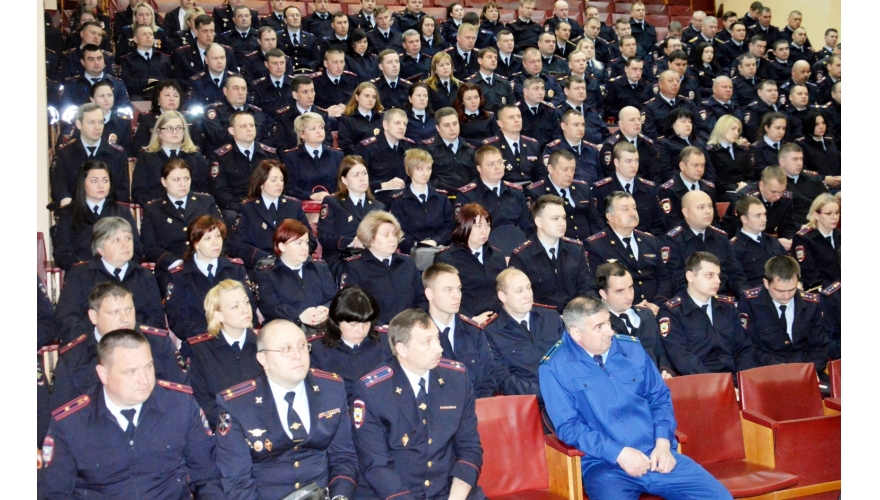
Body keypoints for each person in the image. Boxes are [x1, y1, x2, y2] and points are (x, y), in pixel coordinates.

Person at [540, 295, 732, 500]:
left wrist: (663, 443)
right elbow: (569, 427)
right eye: (599, 327)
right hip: (606, 465)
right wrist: (618, 453)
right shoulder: (554, 367)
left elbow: (659, 398)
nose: (610, 332)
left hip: (655, 453)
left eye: (608, 323)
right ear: (576, 333)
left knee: (720, 497)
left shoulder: (631, 348)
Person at [42, 329, 223, 498]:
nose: (144, 379)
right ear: (103, 374)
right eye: (131, 372)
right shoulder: (71, 424)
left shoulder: (181, 406)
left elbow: (208, 477)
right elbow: (55, 493)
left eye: (149, 366)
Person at [213, 319, 358, 498]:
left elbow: (343, 457)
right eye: (286, 349)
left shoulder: (331, 389)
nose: (298, 355)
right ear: (263, 359)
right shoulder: (237, 405)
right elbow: (237, 481)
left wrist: (340, 496)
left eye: (302, 346)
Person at [351, 308, 484, 498]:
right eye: (427, 342)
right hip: (394, 494)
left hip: (447, 491)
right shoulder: (372, 390)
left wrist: (457, 496)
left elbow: (469, 447)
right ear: (402, 349)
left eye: (437, 338)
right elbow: (377, 465)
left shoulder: (457, 378)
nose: (439, 348)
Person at [48, 281, 188, 416]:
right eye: (114, 312)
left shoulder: (158, 343)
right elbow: (61, 413)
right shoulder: (74, 355)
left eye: (129, 309)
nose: (125, 319)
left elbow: (181, 394)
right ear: (94, 316)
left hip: (155, 424)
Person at [54, 217, 163, 343]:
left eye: (128, 238)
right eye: (116, 240)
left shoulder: (145, 275)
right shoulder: (80, 274)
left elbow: (156, 319)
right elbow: (66, 318)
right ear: (100, 250)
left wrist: (132, 341)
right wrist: (94, 342)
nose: (125, 245)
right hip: (93, 347)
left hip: (136, 345)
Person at [658, 251, 757, 376]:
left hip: (733, 379)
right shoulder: (672, 312)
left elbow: (744, 348)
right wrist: (717, 385)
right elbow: (682, 357)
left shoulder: (728, 307)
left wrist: (742, 382)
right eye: (709, 275)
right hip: (699, 382)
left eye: (718, 275)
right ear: (690, 276)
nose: (717, 281)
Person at [181, 279, 263, 426]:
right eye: (235, 307)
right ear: (219, 315)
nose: (245, 310)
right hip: (224, 430)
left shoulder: (265, 342)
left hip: (267, 425)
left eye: (246, 302)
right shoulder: (200, 350)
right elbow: (203, 401)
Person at [165, 215, 254, 340]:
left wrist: (231, 334)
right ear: (195, 243)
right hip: (199, 341)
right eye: (208, 238)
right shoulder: (179, 275)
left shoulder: (235, 269)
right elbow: (178, 319)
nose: (216, 243)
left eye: (218, 236)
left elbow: (249, 306)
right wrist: (211, 335)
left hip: (236, 336)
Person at [483, 268, 565, 401]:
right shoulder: (490, 333)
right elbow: (503, 380)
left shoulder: (550, 317)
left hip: (568, 391)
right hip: (531, 402)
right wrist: (546, 393)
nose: (527, 295)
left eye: (529, 288)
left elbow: (569, 354)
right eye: (519, 291)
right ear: (503, 296)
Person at [141, 159, 222, 289]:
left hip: (207, 260)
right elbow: (150, 247)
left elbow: (222, 235)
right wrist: (174, 262)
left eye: (186, 178)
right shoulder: (153, 209)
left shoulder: (206, 201)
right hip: (173, 267)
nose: (183, 184)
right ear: (164, 182)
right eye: (176, 180)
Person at [739, 255, 827, 372]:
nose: (786, 296)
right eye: (780, 291)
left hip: (804, 368)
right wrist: (778, 368)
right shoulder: (750, 302)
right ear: (766, 283)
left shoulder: (811, 303)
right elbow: (748, 346)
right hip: (767, 368)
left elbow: (819, 346)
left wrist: (811, 370)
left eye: (792, 289)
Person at [51, 161, 143, 272]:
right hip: (82, 274)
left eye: (105, 180)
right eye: (94, 181)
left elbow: (136, 248)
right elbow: (62, 253)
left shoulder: (122, 212)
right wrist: (86, 269)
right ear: (83, 183)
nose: (101, 185)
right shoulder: (68, 214)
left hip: (118, 273)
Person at [424, 263, 499, 398]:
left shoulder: (474, 331)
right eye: (448, 290)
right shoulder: (418, 335)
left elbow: (488, 379)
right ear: (429, 293)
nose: (456, 296)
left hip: (476, 407)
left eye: (458, 289)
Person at [509, 195, 596, 312]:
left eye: (563, 218)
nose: (562, 223)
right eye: (555, 219)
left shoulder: (576, 249)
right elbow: (521, 299)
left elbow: (587, 287)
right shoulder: (521, 256)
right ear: (539, 222)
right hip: (542, 320)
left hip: (576, 314)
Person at [587, 191, 671, 310]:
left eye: (634, 208)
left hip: (655, 308)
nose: (632, 213)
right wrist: (630, 309)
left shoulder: (651, 241)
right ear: (610, 217)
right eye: (625, 209)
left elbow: (664, 278)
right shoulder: (596, 245)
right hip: (620, 312)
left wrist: (657, 303)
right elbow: (595, 287)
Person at [340, 211, 428, 325]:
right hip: (375, 332)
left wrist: (414, 321)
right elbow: (353, 307)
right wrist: (380, 327)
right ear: (371, 239)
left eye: (394, 234)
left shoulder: (408, 263)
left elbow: (422, 299)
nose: (392, 239)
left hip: (410, 328)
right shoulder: (354, 267)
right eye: (386, 235)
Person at [227, 160, 314, 270]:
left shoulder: (294, 205)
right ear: (261, 183)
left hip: (293, 263)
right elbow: (237, 245)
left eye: (281, 179)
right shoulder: (247, 208)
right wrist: (265, 258)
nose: (279, 184)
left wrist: (291, 255)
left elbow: (310, 240)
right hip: (262, 266)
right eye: (273, 180)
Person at [663, 191, 748, 297]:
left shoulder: (721, 237)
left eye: (710, 206)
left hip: (722, 299)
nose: (708, 211)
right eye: (701, 207)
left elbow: (735, 274)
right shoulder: (673, 241)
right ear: (686, 212)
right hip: (693, 301)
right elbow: (677, 281)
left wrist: (746, 297)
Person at [253, 219, 334, 328]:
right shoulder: (266, 273)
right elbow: (270, 308)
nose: (305, 248)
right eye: (298, 243)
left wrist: (326, 309)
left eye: (306, 242)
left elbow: (334, 298)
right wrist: (299, 315)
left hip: (323, 329)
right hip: (286, 330)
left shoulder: (320, 268)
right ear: (282, 246)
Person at [595, 262, 673, 375]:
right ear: (604, 294)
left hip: (654, 383)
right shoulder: (596, 324)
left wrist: (664, 370)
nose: (629, 296)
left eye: (631, 287)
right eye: (620, 291)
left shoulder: (647, 315)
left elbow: (661, 351)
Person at [433, 203, 506, 318]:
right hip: (464, 322)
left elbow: (505, 290)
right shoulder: (446, 258)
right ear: (465, 226)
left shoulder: (497, 255)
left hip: (498, 321)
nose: (484, 231)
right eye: (478, 226)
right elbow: (443, 298)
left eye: (487, 225)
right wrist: (471, 320)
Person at [51, 104, 130, 209]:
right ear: (79, 124)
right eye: (91, 123)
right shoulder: (65, 153)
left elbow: (122, 191)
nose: (97, 127)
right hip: (74, 211)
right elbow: (59, 187)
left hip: (107, 213)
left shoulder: (117, 154)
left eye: (101, 122)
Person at [317, 156, 386, 276]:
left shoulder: (379, 207)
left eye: (364, 173)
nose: (362, 179)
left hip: (372, 256)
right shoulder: (332, 202)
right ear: (344, 180)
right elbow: (325, 237)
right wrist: (351, 242)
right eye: (356, 175)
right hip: (342, 257)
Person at [132, 110, 210, 207]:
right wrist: (156, 207)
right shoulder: (146, 157)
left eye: (178, 128)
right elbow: (139, 191)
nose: (174, 132)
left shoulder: (196, 157)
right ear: (159, 132)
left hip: (191, 209)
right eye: (169, 128)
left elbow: (205, 189)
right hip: (158, 209)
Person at [208, 110, 279, 216]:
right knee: (231, 216)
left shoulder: (269, 154)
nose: (249, 129)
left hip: (266, 201)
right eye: (243, 126)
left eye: (251, 125)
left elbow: (280, 182)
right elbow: (219, 190)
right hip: (237, 205)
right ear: (232, 131)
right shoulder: (220, 156)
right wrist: (239, 207)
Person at [455, 145, 533, 236]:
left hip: (515, 244)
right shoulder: (467, 195)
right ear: (479, 169)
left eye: (500, 162)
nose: (497, 167)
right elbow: (464, 231)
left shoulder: (516, 192)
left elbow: (526, 227)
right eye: (491, 164)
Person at [591, 141, 665, 236]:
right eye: (628, 161)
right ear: (616, 162)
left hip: (645, 243)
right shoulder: (601, 189)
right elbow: (598, 224)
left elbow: (658, 224)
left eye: (636, 160)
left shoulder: (649, 189)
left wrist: (650, 242)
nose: (634, 165)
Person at [389, 149, 455, 254]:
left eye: (429, 168)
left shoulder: (441, 197)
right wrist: (417, 244)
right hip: (412, 251)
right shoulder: (399, 201)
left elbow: (450, 226)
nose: (426, 173)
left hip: (441, 248)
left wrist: (435, 241)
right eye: (420, 169)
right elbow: (399, 231)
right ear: (409, 170)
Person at [527, 149, 597, 241]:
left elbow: (595, 221)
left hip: (587, 244)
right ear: (551, 169)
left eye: (573, 169)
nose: (570, 174)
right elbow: (533, 227)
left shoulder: (583, 188)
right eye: (565, 169)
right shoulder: (536, 192)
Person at [720, 166, 795, 250]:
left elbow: (787, 226)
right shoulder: (744, 198)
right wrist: (773, 243)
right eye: (774, 192)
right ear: (761, 185)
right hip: (743, 243)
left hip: (770, 242)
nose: (778, 196)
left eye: (782, 191)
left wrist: (789, 240)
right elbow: (737, 229)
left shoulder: (786, 198)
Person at [355, 108, 415, 204]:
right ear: (385, 125)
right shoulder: (367, 148)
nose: (402, 127)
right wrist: (383, 185)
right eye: (397, 123)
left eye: (404, 124)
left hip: (404, 195)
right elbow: (355, 181)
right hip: (376, 197)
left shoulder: (409, 146)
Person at [280, 113, 344, 201]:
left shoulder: (337, 155)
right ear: (301, 134)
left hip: (334, 204)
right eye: (313, 128)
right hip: (303, 205)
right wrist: (310, 195)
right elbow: (289, 188)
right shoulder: (291, 157)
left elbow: (344, 183)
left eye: (321, 127)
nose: (319, 131)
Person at [730, 195, 787, 288]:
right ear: (744, 219)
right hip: (758, 296)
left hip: (784, 290)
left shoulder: (772, 240)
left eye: (764, 214)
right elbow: (738, 282)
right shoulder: (734, 248)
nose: (764, 219)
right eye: (758, 216)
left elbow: (788, 266)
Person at [201, 75, 269, 152]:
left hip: (255, 156)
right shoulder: (213, 111)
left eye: (243, 89)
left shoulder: (256, 112)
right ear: (225, 91)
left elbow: (265, 140)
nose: (240, 92)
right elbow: (216, 138)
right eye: (235, 88)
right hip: (225, 158)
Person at [657, 146, 716, 231]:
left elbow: (715, 220)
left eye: (702, 165)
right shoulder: (667, 190)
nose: (700, 169)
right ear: (682, 166)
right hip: (683, 238)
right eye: (695, 165)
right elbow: (672, 223)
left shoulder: (709, 187)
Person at [272, 75, 337, 152]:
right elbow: (280, 147)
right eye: (305, 92)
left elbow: (328, 142)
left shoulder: (322, 114)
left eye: (312, 91)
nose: (310, 96)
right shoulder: (283, 116)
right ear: (295, 95)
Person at [598, 107, 661, 182]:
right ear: (621, 124)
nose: (637, 123)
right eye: (632, 120)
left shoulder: (648, 144)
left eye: (639, 119)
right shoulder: (610, 146)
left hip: (646, 190)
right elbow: (612, 176)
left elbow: (655, 176)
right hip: (620, 191)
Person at [421, 107, 477, 192]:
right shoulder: (427, 149)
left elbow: (476, 178)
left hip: (466, 198)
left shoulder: (470, 150)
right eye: (447, 125)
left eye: (455, 124)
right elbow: (423, 178)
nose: (452, 128)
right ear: (438, 128)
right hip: (439, 197)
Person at [483, 105, 542, 184]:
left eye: (519, 116)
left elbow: (540, 176)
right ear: (500, 123)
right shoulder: (489, 146)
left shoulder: (533, 145)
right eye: (511, 117)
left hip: (530, 192)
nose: (516, 120)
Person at [792, 193, 840, 289]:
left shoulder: (840, 235)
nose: (835, 217)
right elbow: (810, 274)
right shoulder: (803, 239)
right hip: (822, 290)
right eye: (829, 214)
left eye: (837, 212)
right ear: (816, 215)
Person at [172, 14, 238, 82]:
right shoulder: (182, 54)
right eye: (205, 31)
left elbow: (235, 78)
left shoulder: (227, 52)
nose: (209, 35)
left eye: (211, 31)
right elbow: (178, 81)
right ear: (196, 32)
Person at [640, 70, 703, 140]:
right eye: (670, 81)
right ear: (660, 84)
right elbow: (651, 136)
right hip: (665, 147)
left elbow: (701, 127)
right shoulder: (650, 107)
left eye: (678, 81)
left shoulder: (688, 103)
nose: (675, 84)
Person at [131, 80, 189, 153]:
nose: (172, 99)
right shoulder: (147, 118)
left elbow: (198, 146)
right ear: (158, 99)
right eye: (167, 95)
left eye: (176, 96)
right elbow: (138, 147)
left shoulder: (189, 118)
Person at [119, 24, 174, 100]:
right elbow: (125, 82)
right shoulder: (127, 60)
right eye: (144, 34)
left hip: (162, 97)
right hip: (138, 98)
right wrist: (146, 82)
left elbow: (171, 80)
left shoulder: (164, 58)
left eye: (151, 34)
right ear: (135, 39)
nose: (148, 36)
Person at [654, 108, 710, 182]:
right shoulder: (663, 143)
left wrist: (707, 185)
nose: (688, 125)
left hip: (701, 183)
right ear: (672, 124)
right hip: (679, 185)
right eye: (683, 121)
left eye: (690, 122)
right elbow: (667, 170)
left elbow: (709, 168)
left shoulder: (698, 141)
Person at [776, 143, 827, 224]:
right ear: (782, 162)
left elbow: (827, 201)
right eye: (795, 159)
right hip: (792, 228)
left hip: (817, 224)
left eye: (801, 159)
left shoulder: (813, 179)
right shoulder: (775, 183)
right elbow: (778, 216)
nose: (799, 163)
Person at [704, 115, 752, 201]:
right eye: (733, 129)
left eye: (738, 130)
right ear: (722, 128)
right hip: (723, 192)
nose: (736, 133)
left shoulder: (742, 150)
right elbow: (713, 179)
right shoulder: (711, 152)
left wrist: (746, 185)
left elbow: (750, 175)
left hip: (744, 189)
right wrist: (736, 187)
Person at [337, 81, 385, 154]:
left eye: (373, 97)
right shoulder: (347, 120)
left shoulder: (382, 118)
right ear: (357, 97)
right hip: (359, 159)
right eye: (366, 96)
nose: (370, 100)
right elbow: (346, 146)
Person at [248, 46, 297, 115]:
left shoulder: (295, 84)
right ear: (266, 64)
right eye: (274, 63)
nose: (279, 67)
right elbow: (257, 113)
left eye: (282, 63)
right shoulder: (257, 87)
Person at [797, 109, 841, 185]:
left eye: (823, 123)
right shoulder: (802, 145)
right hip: (817, 186)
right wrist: (823, 179)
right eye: (817, 124)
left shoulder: (830, 142)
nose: (821, 127)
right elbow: (802, 171)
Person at [466, 47, 515, 113]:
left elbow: (512, 107)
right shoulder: (470, 84)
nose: (493, 60)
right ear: (480, 60)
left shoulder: (504, 83)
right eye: (489, 57)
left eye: (495, 58)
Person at [517, 76, 560, 149]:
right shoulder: (516, 111)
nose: (541, 92)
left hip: (546, 154)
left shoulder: (550, 111)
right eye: (536, 89)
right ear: (525, 91)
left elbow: (556, 138)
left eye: (542, 89)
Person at [275, 5, 320, 73]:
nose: (295, 18)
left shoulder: (310, 37)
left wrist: (306, 69)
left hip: (307, 74)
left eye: (297, 15)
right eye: (291, 16)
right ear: (285, 20)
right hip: (286, 74)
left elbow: (317, 60)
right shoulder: (277, 37)